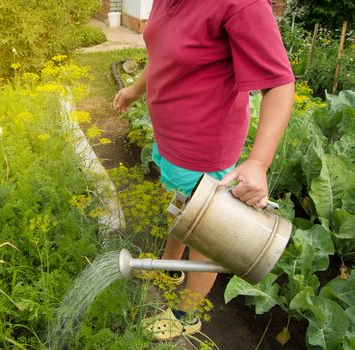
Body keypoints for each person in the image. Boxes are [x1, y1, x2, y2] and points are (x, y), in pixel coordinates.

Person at [112, 0, 295, 342]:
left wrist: (258, 163)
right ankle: (170, 267)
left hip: (205, 147)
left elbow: (279, 83)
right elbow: (164, 56)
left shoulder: (241, 4)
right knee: (182, 208)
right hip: (171, 139)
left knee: (206, 232)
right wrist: (134, 90)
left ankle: (186, 313)